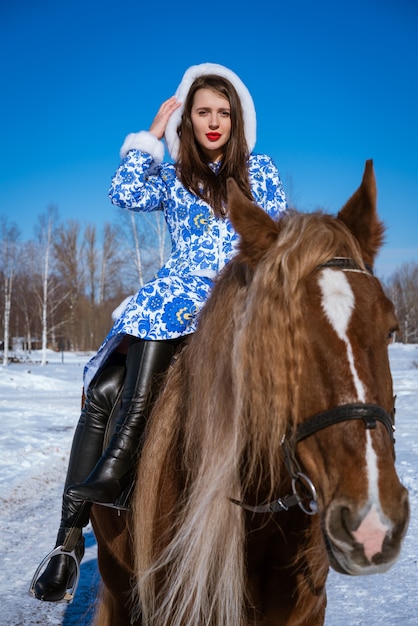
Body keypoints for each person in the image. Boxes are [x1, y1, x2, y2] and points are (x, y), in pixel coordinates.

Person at [30, 62, 287, 603]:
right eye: (203, 113)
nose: (214, 122)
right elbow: (122, 192)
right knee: (102, 389)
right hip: (176, 294)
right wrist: (149, 137)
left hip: (237, 293)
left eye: (223, 112)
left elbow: (277, 236)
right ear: (188, 121)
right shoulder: (172, 177)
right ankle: (68, 540)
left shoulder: (259, 170)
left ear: (237, 121)